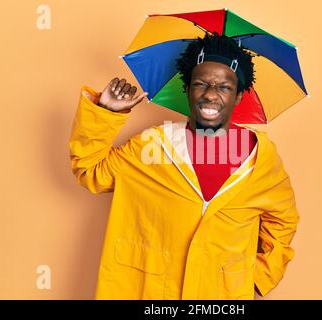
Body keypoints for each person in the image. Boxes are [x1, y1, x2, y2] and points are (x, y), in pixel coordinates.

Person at [69, 32, 299, 300]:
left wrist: (258, 278)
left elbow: (283, 221)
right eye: (201, 84)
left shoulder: (261, 157)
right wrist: (107, 112)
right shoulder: (152, 145)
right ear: (187, 89)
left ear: (238, 96)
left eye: (224, 87)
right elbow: (91, 171)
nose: (211, 95)